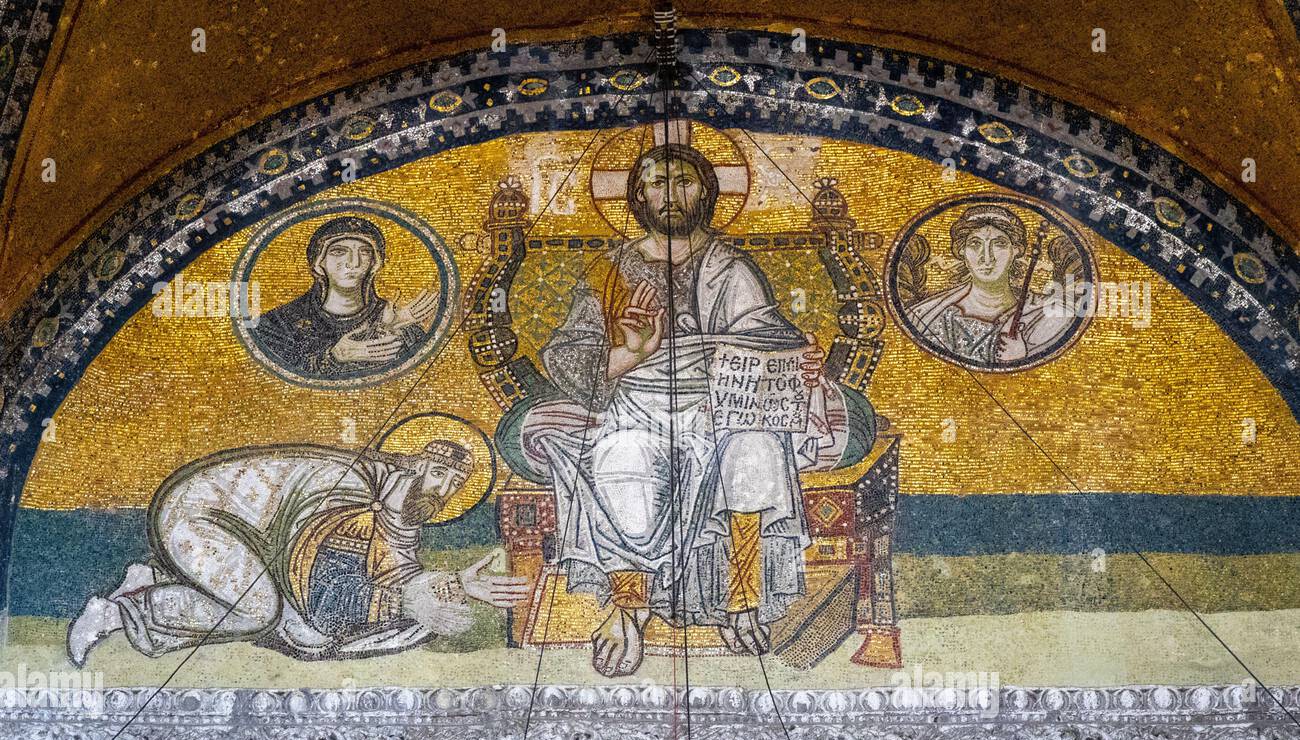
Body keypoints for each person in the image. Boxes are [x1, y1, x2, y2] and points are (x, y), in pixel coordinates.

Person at [517, 143, 855, 677]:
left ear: (707, 191)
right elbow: (569, 356)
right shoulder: (610, 271)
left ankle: (741, 600)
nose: (670, 194)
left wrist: (800, 359)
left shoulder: (731, 268)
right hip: (636, 403)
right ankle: (630, 607)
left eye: (684, 181)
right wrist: (628, 354)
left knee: (755, 449)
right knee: (623, 456)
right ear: (638, 194)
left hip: (722, 406)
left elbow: (766, 340)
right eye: (656, 182)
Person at [66, 439, 528, 665]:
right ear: (419, 465)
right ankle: (114, 612)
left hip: (245, 537)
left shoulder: (393, 502)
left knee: (301, 624)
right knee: (260, 611)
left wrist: (457, 586)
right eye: (440, 476)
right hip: (196, 518)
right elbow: (326, 592)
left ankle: (150, 582)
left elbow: (394, 571)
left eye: (454, 484)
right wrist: (408, 599)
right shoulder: (355, 489)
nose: (445, 490)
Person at [252, 216, 439, 379]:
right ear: (319, 263)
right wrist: (333, 357)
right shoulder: (278, 324)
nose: (353, 263)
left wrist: (390, 327)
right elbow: (271, 381)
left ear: (375, 263)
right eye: (339, 251)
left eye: (364, 252)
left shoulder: (401, 325)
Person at [907, 204, 1070, 368]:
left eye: (999, 244)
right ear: (961, 251)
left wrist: (1022, 356)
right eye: (975, 244)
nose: (987, 258)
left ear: (1015, 250)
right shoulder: (928, 315)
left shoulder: (1046, 316)